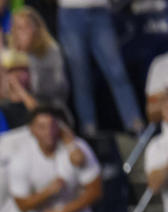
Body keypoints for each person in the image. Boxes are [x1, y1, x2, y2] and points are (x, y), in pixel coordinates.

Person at [56, 0, 144, 135]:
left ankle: (134, 122)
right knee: (80, 75)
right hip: (70, 13)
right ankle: (89, 127)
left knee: (117, 72)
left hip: (100, 12)